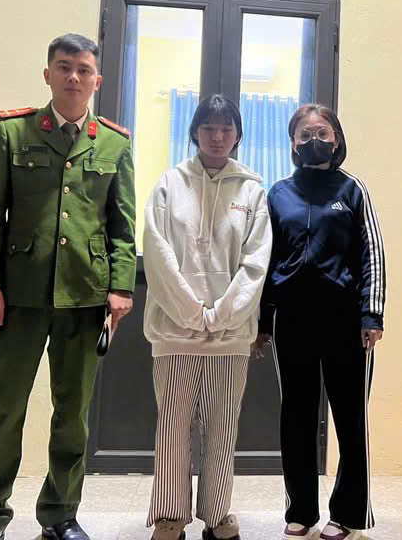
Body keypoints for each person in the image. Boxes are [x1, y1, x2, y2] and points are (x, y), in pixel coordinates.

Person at [0, 33, 136, 540]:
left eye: (83, 69)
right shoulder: (12, 131)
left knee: (72, 416)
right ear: (47, 74)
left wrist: (121, 287)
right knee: (3, 409)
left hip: (85, 296)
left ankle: (60, 515)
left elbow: (122, 225)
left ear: (97, 80)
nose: (73, 77)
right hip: (18, 295)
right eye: (64, 67)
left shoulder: (114, 142)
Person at [142, 94, 272, 540]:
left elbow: (256, 264)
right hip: (174, 333)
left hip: (230, 337)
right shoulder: (168, 184)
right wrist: (191, 312)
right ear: (195, 131)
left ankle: (218, 515)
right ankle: (170, 515)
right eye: (209, 127)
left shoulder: (252, 191)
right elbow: (157, 255)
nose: (217, 136)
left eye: (226, 128)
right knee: (173, 428)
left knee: (222, 429)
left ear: (238, 135)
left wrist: (220, 316)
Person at [255, 104, 387, 540]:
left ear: (336, 139)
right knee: (296, 415)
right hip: (292, 319)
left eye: (322, 132)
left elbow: (372, 253)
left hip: (346, 320)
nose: (314, 140)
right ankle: (300, 511)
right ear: (293, 143)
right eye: (305, 134)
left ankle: (348, 514)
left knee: (350, 417)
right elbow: (266, 260)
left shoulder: (353, 190)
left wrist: (372, 313)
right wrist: (263, 322)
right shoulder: (278, 194)